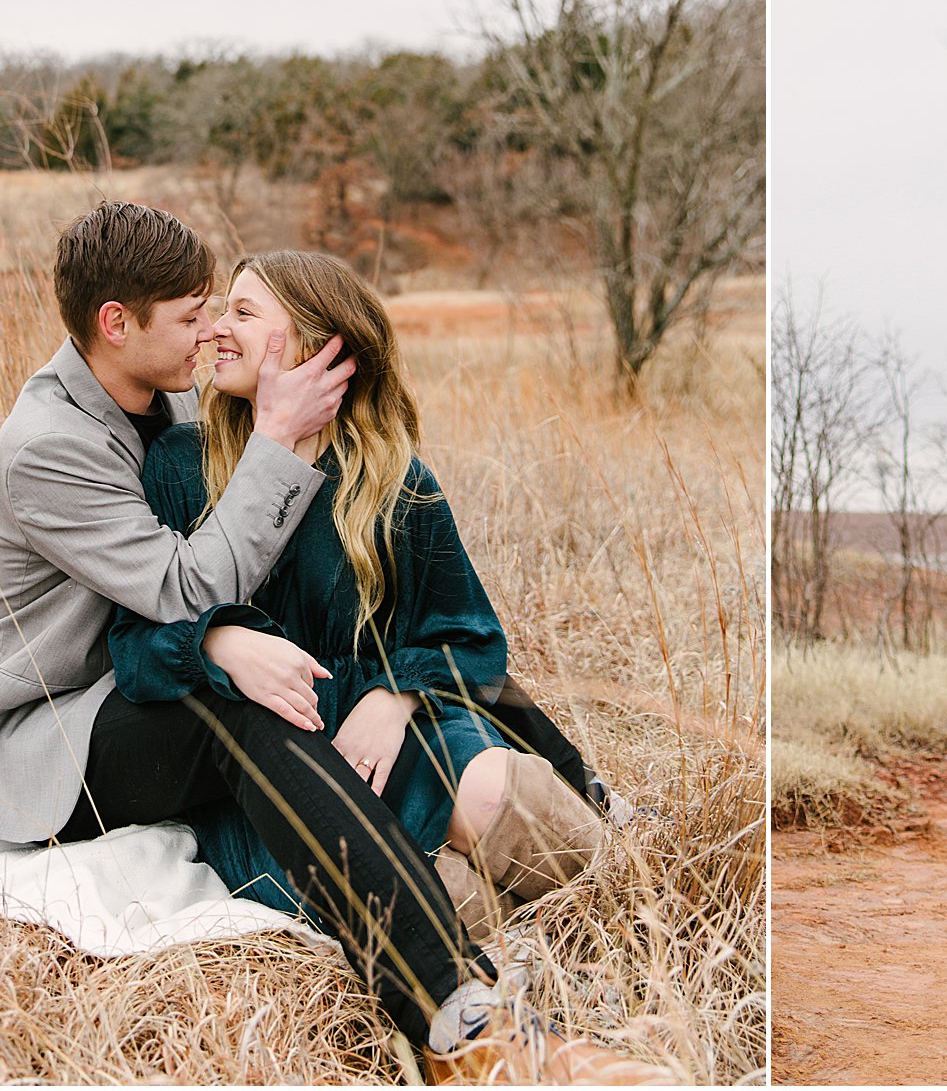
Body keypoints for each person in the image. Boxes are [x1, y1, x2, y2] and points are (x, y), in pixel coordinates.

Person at [0, 203, 548, 1063]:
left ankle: (579, 797)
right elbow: (187, 587)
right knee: (239, 709)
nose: (210, 331)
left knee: (393, 647)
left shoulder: (168, 395)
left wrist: (393, 686)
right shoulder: (48, 446)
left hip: (152, 676)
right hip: (59, 731)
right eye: (192, 316)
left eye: (220, 309)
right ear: (117, 323)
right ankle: (445, 999)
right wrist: (276, 439)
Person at [105, 250, 614, 946]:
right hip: (269, 768)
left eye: (243, 313)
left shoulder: (395, 481)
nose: (216, 328)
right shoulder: (178, 464)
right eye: (222, 310)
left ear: (317, 346)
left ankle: (647, 915)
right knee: (436, 896)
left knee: (496, 792)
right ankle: (511, 956)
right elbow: (134, 648)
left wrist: (392, 698)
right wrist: (216, 642)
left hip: (402, 732)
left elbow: (468, 638)